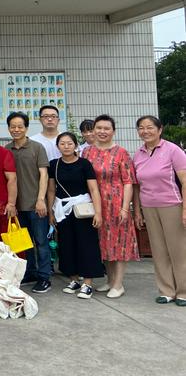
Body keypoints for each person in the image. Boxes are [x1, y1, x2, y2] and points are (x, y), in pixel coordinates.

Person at [83, 114, 139, 298]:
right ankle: (110, 280)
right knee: (103, 242)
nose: (102, 131)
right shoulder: (87, 152)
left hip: (116, 203)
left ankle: (118, 284)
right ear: (93, 130)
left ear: (113, 131)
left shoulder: (121, 152)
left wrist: (125, 208)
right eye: (99, 128)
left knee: (120, 242)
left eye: (106, 128)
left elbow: (128, 182)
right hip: (95, 204)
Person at [132, 115, 186, 305]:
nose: (145, 131)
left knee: (178, 249)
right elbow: (137, 186)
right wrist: (137, 211)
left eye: (150, 127)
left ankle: (183, 292)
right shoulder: (138, 154)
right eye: (141, 128)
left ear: (160, 129)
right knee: (159, 250)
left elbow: (184, 181)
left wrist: (185, 209)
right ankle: (166, 291)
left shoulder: (172, 150)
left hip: (172, 205)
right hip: (148, 206)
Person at [48, 132, 104, 300]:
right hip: (63, 210)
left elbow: (93, 189)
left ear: (76, 146)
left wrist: (98, 212)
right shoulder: (54, 164)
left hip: (82, 209)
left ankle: (87, 283)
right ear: (57, 146)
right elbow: (51, 190)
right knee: (66, 244)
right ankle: (73, 280)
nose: (66, 146)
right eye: (62, 143)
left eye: (69, 143)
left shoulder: (84, 164)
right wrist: (51, 211)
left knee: (87, 245)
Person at [6, 112, 52, 293]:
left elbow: (44, 175)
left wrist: (41, 200)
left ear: (26, 128)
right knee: (24, 243)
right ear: (8, 128)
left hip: (35, 204)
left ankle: (44, 277)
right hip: (17, 206)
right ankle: (30, 272)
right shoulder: (7, 149)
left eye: (20, 126)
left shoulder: (37, 147)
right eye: (13, 126)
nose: (16, 129)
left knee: (41, 242)